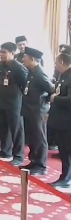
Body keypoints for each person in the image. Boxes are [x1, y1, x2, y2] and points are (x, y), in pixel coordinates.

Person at [0, 42, 28, 166]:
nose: (1, 54)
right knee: (3, 127)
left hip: (14, 103)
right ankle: (5, 150)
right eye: (1, 52)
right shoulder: (0, 65)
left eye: (4, 52)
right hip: (2, 101)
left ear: (12, 53)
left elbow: (25, 86)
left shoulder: (19, 67)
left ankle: (18, 155)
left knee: (16, 130)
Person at [20, 47, 50, 175]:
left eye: (25, 57)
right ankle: (34, 160)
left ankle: (41, 165)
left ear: (32, 59)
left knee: (39, 138)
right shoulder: (31, 72)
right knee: (32, 137)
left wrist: (43, 103)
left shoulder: (40, 73)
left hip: (37, 111)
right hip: (29, 109)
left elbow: (51, 89)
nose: (23, 59)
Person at [49, 52, 71, 188]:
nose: (55, 65)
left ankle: (67, 178)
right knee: (63, 150)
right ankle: (64, 176)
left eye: (56, 62)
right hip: (59, 119)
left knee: (67, 150)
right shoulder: (62, 75)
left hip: (67, 121)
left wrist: (55, 98)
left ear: (62, 62)